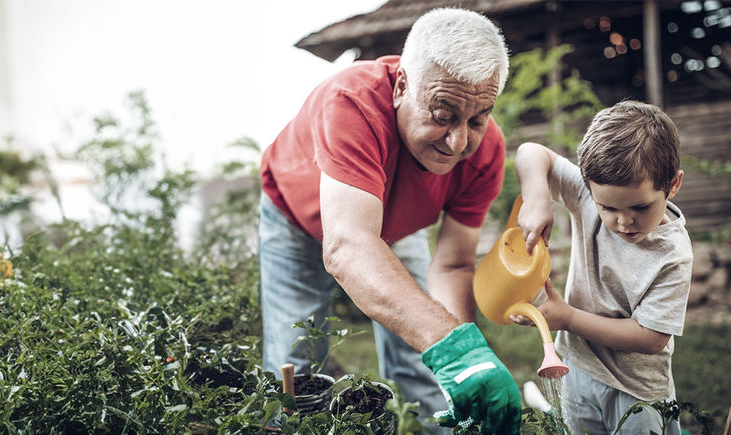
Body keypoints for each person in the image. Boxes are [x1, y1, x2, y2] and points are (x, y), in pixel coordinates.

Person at [259, 8, 521, 433]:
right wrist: (452, 347)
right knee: (299, 366)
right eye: (442, 114)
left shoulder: (485, 151)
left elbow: (452, 264)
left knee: (425, 363)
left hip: (392, 228)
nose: (458, 142)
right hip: (297, 218)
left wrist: (465, 359)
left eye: (476, 118)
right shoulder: (352, 101)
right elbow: (348, 246)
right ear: (401, 86)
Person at [512, 100, 691, 435]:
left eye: (640, 206)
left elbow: (651, 338)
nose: (623, 221)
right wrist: (538, 198)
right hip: (577, 369)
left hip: (636, 391)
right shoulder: (584, 194)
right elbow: (530, 152)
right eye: (607, 207)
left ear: (673, 185)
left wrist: (568, 318)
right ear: (588, 186)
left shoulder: (673, 254)